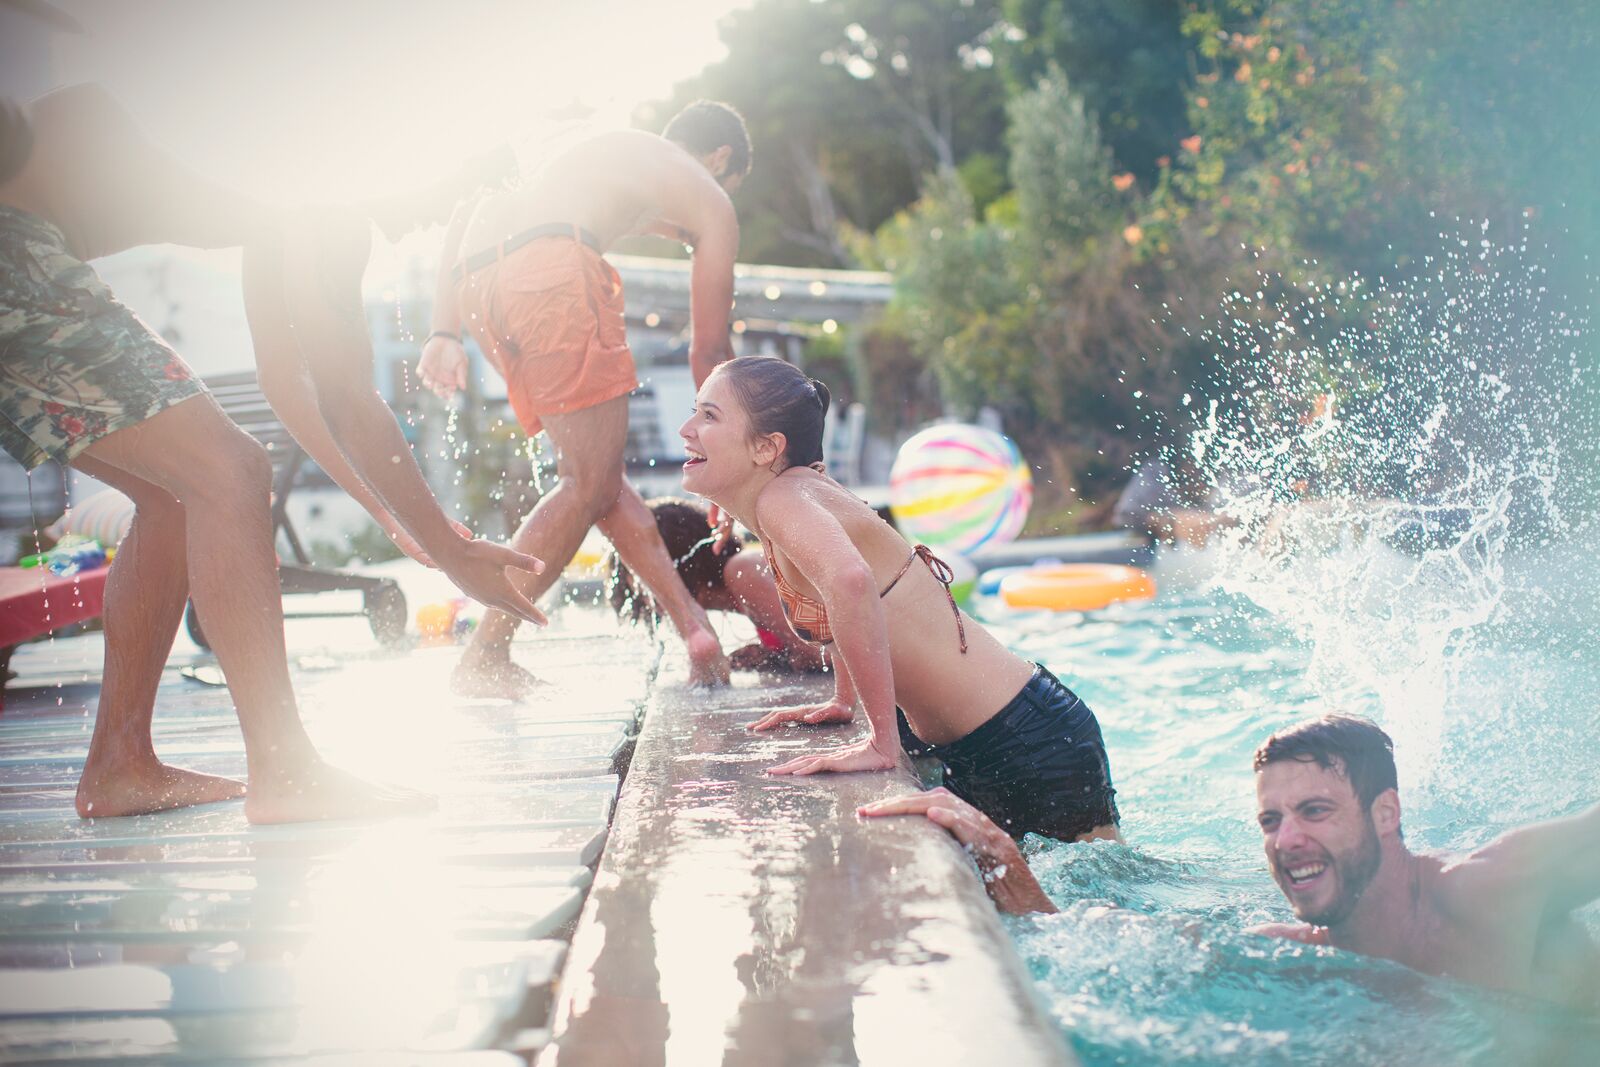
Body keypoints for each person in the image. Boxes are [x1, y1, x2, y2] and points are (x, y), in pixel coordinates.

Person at [0, 85, 543, 823]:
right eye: (457, 188)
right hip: (15, 250)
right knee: (226, 471)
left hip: (30, 246)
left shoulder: (291, 175)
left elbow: (289, 382)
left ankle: (119, 763)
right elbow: (349, 398)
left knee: (183, 489)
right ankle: (285, 773)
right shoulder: (326, 179)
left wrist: (401, 521)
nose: (441, 217)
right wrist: (449, 548)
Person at [867, 714, 1600, 1009]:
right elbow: (1093, 941)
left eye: (1315, 811)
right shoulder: (1299, 954)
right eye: (1271, 820)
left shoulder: (1498, 885)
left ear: (1387, 813)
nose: (1286, 842)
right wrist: (997, 856)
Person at [679, 355, 1120, 843]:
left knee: (1092, 913)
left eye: (709, 416)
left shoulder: (781, 500)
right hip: (997, 735)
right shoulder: (795, 493)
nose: (687, 428)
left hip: (1024, 737)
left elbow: (850, 583)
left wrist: (880, 743)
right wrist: (844, 700)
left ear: (767, 447)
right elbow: (844, 594)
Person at [418, 101, 750, 697]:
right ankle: (486, 649)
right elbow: (710, 353)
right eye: (729, 184)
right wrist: (736, 466)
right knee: (586, 483)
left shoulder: (593, 150)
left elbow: (468, 203)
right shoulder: (707, 193)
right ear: (719, 159)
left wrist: (444, 329)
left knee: (594, 476)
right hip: (551, 270)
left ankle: (692, 628)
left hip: (477, 283)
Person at [606, 498, 827, 674]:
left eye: (646, 583)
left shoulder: (743, 571)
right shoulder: (741, 583)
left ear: (679, 564)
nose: (647, 597)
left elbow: (826, 655)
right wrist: (770, 656)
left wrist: (787, 657)